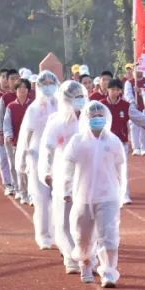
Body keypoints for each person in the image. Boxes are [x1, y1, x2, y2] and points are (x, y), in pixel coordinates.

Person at [63, 100, 127, 287]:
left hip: (108, 196)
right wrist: (67, 189)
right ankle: (86, 264)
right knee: (83, 236)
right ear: (86, 118)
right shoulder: (78, 141)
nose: (97, 118)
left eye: (100, 115)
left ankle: (109, 272)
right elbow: (67, 166)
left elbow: (121, 168)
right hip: (83, 197)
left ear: (106, 118)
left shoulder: (113, 141)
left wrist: (121, 192)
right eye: (93, 116)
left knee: (109, 236)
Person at [40, 80, 88, 274]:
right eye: (75, 97)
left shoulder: (88, 119)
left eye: (81, 96)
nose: (79, 100)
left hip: (85, 175)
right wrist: (47, 171)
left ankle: (85, 256)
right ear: (66, 99)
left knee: (84, 219)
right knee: (64, 219)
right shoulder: (57, 122)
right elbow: (48, 149)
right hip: (63, 175)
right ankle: (70, 257)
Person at [19, 71, 59, 249]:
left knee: (58, 196)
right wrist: (23, 155)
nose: (48, 87)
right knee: (41, 197)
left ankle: (59, 233)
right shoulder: (34, 109)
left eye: (51, 83)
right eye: (45, 84)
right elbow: (27, 133)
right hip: (37, 155)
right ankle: (43, 235)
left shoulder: (60, 105)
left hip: (56, 156)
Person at [2, 78, 33, 203]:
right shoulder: (11, 106)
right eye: (19, 88)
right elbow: (7, 124)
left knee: (30, 169)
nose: (22, 90)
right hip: (16, 142)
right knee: (18, 168)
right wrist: (8, 135)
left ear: (28, 90)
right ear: (15, 90)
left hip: (31, 143)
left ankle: (31, 194)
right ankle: (21, 192)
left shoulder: (32, 106)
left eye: (25, 87)